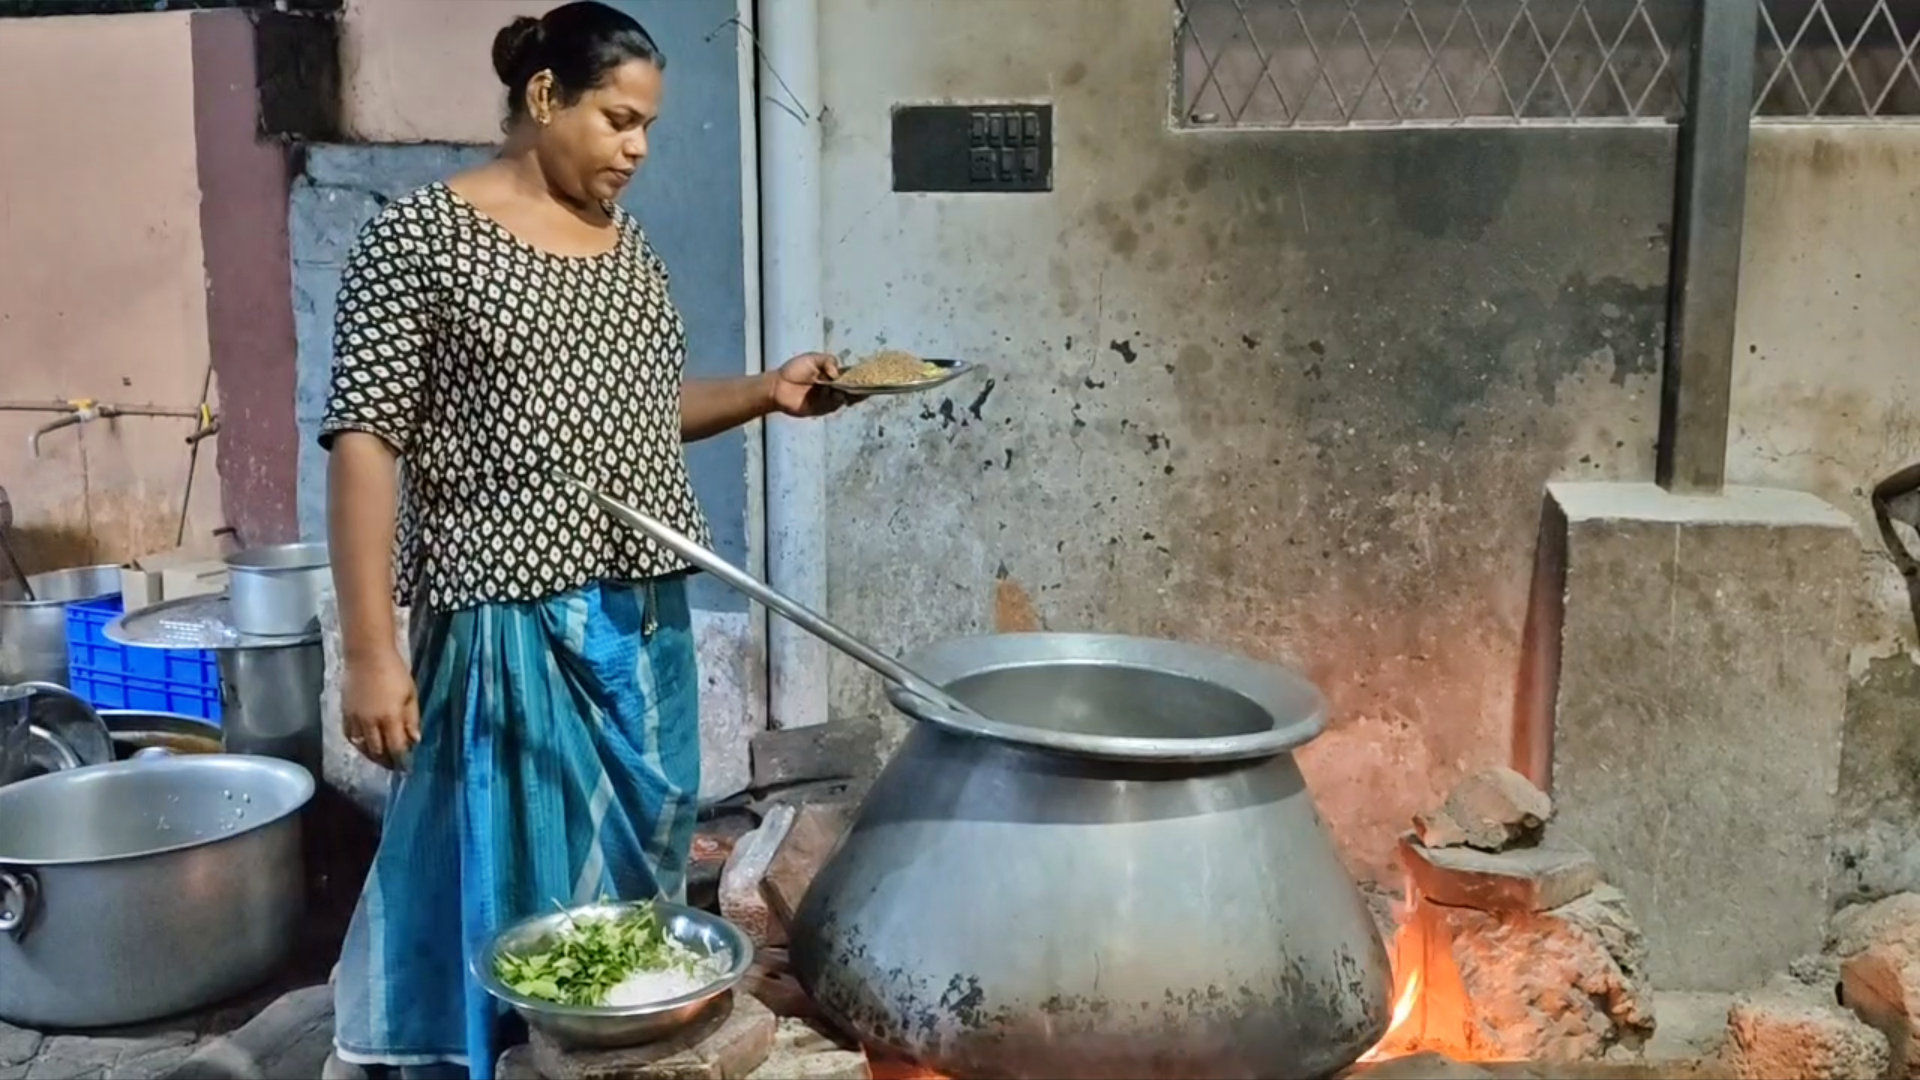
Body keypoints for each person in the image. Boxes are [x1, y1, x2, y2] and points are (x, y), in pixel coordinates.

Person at [317, 5, 847, 1077]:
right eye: (619, 120)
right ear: (547, 96)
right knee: (517, 877)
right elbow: (364, 441)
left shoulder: (625, 245)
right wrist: (371, 651)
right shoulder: (419, 237)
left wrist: (766, 393)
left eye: (646, 126)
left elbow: (637, 416)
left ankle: (605, 1053)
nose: (637, 150)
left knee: (631, 879)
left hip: (638, 616)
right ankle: (489, 1055)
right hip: (511, 622)